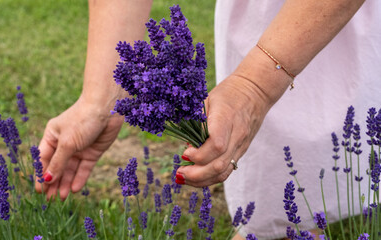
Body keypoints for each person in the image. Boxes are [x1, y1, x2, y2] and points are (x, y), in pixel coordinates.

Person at [35, 0, 381, 239]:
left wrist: (253, 88)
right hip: (261, 20)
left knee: (294, 197)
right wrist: (99, 99)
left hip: (320, 16)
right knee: (277, 209)